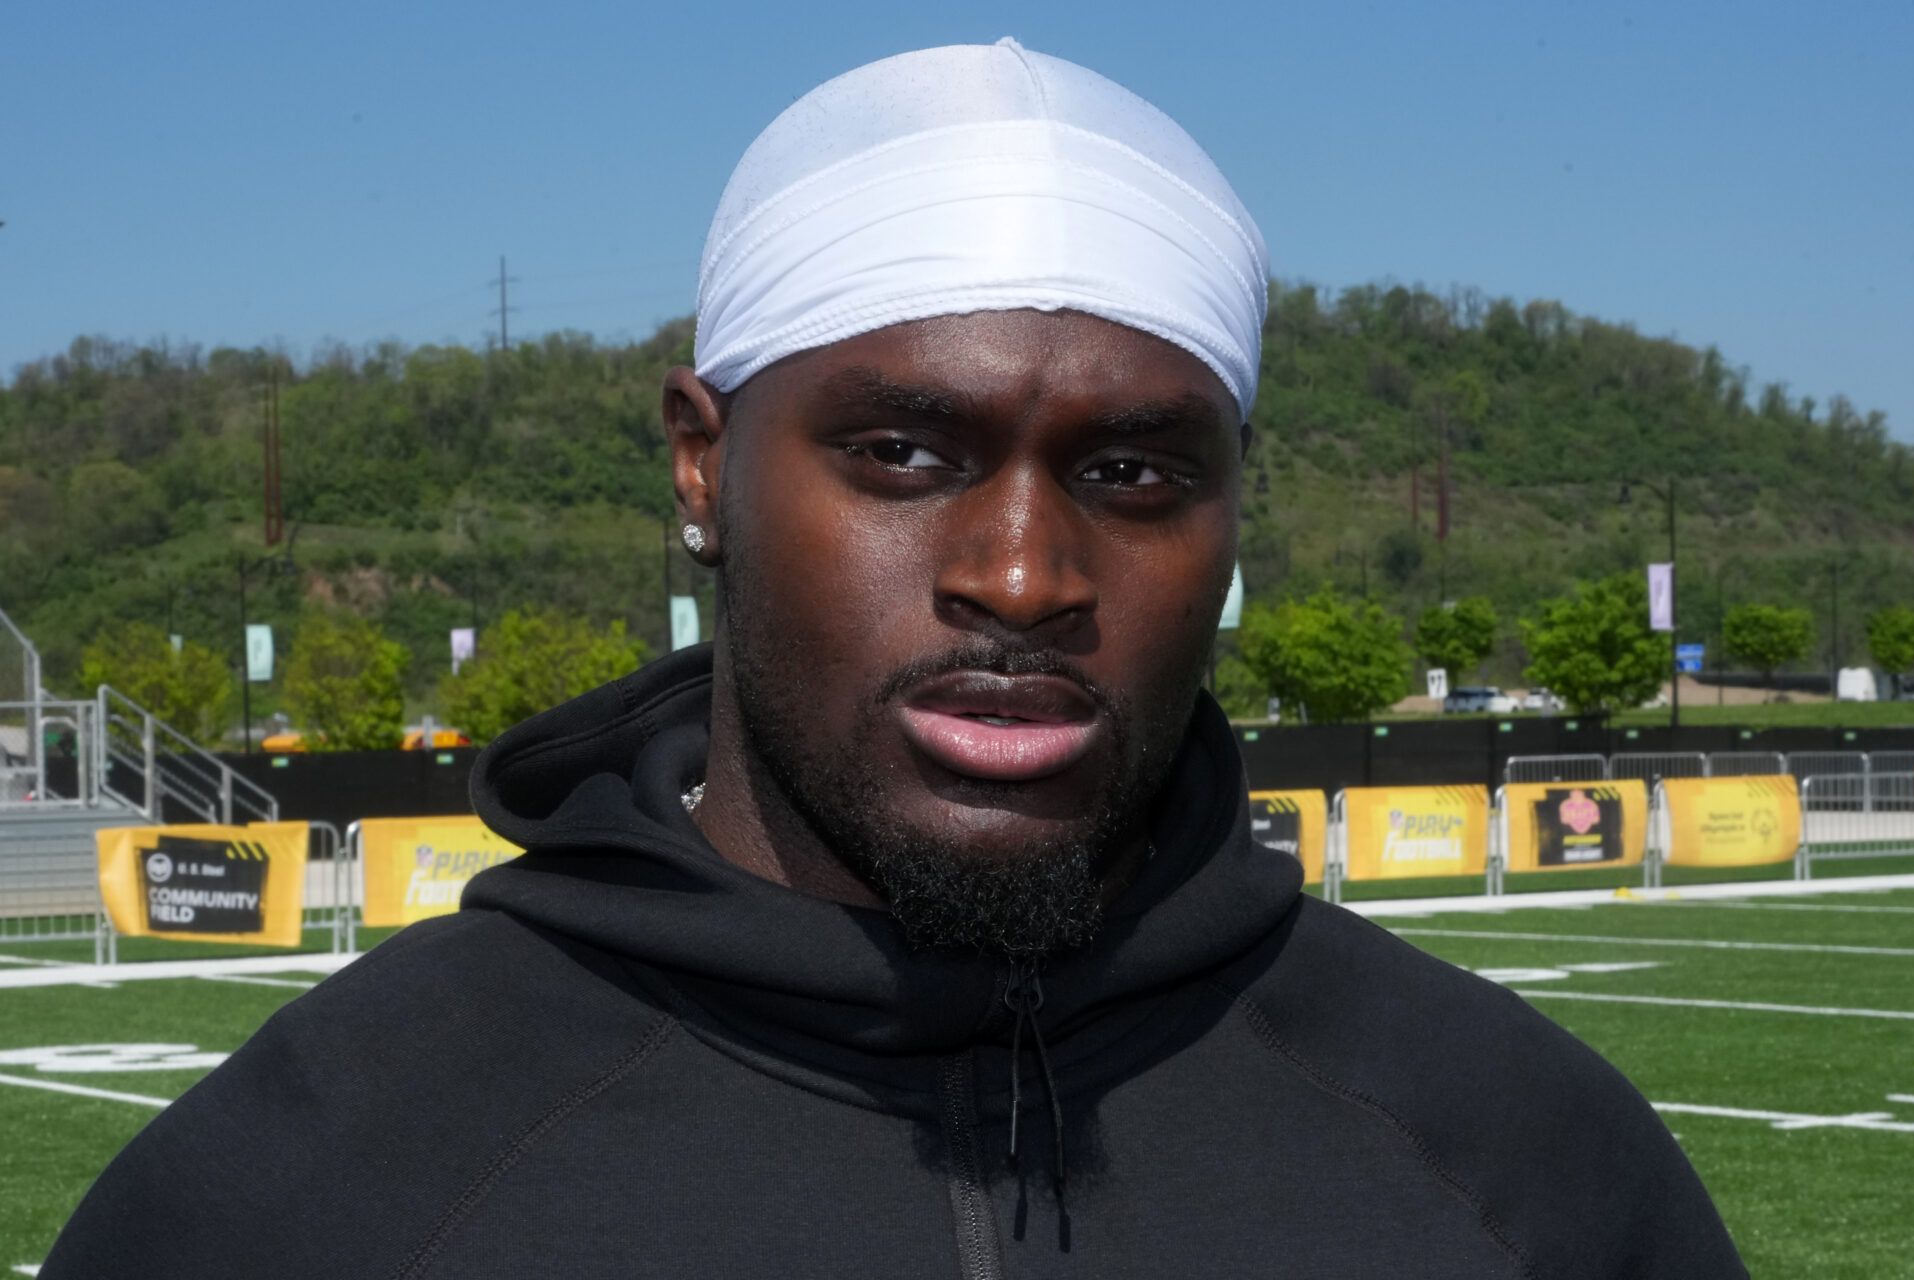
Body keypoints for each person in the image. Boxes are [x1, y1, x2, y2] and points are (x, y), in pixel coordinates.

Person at [45, 39, 1744, 1278]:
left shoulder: (1525, 1165)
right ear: (702, 466)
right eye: (905, 455)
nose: (1022, 575)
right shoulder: (311, 1191)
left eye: (1131, 472)